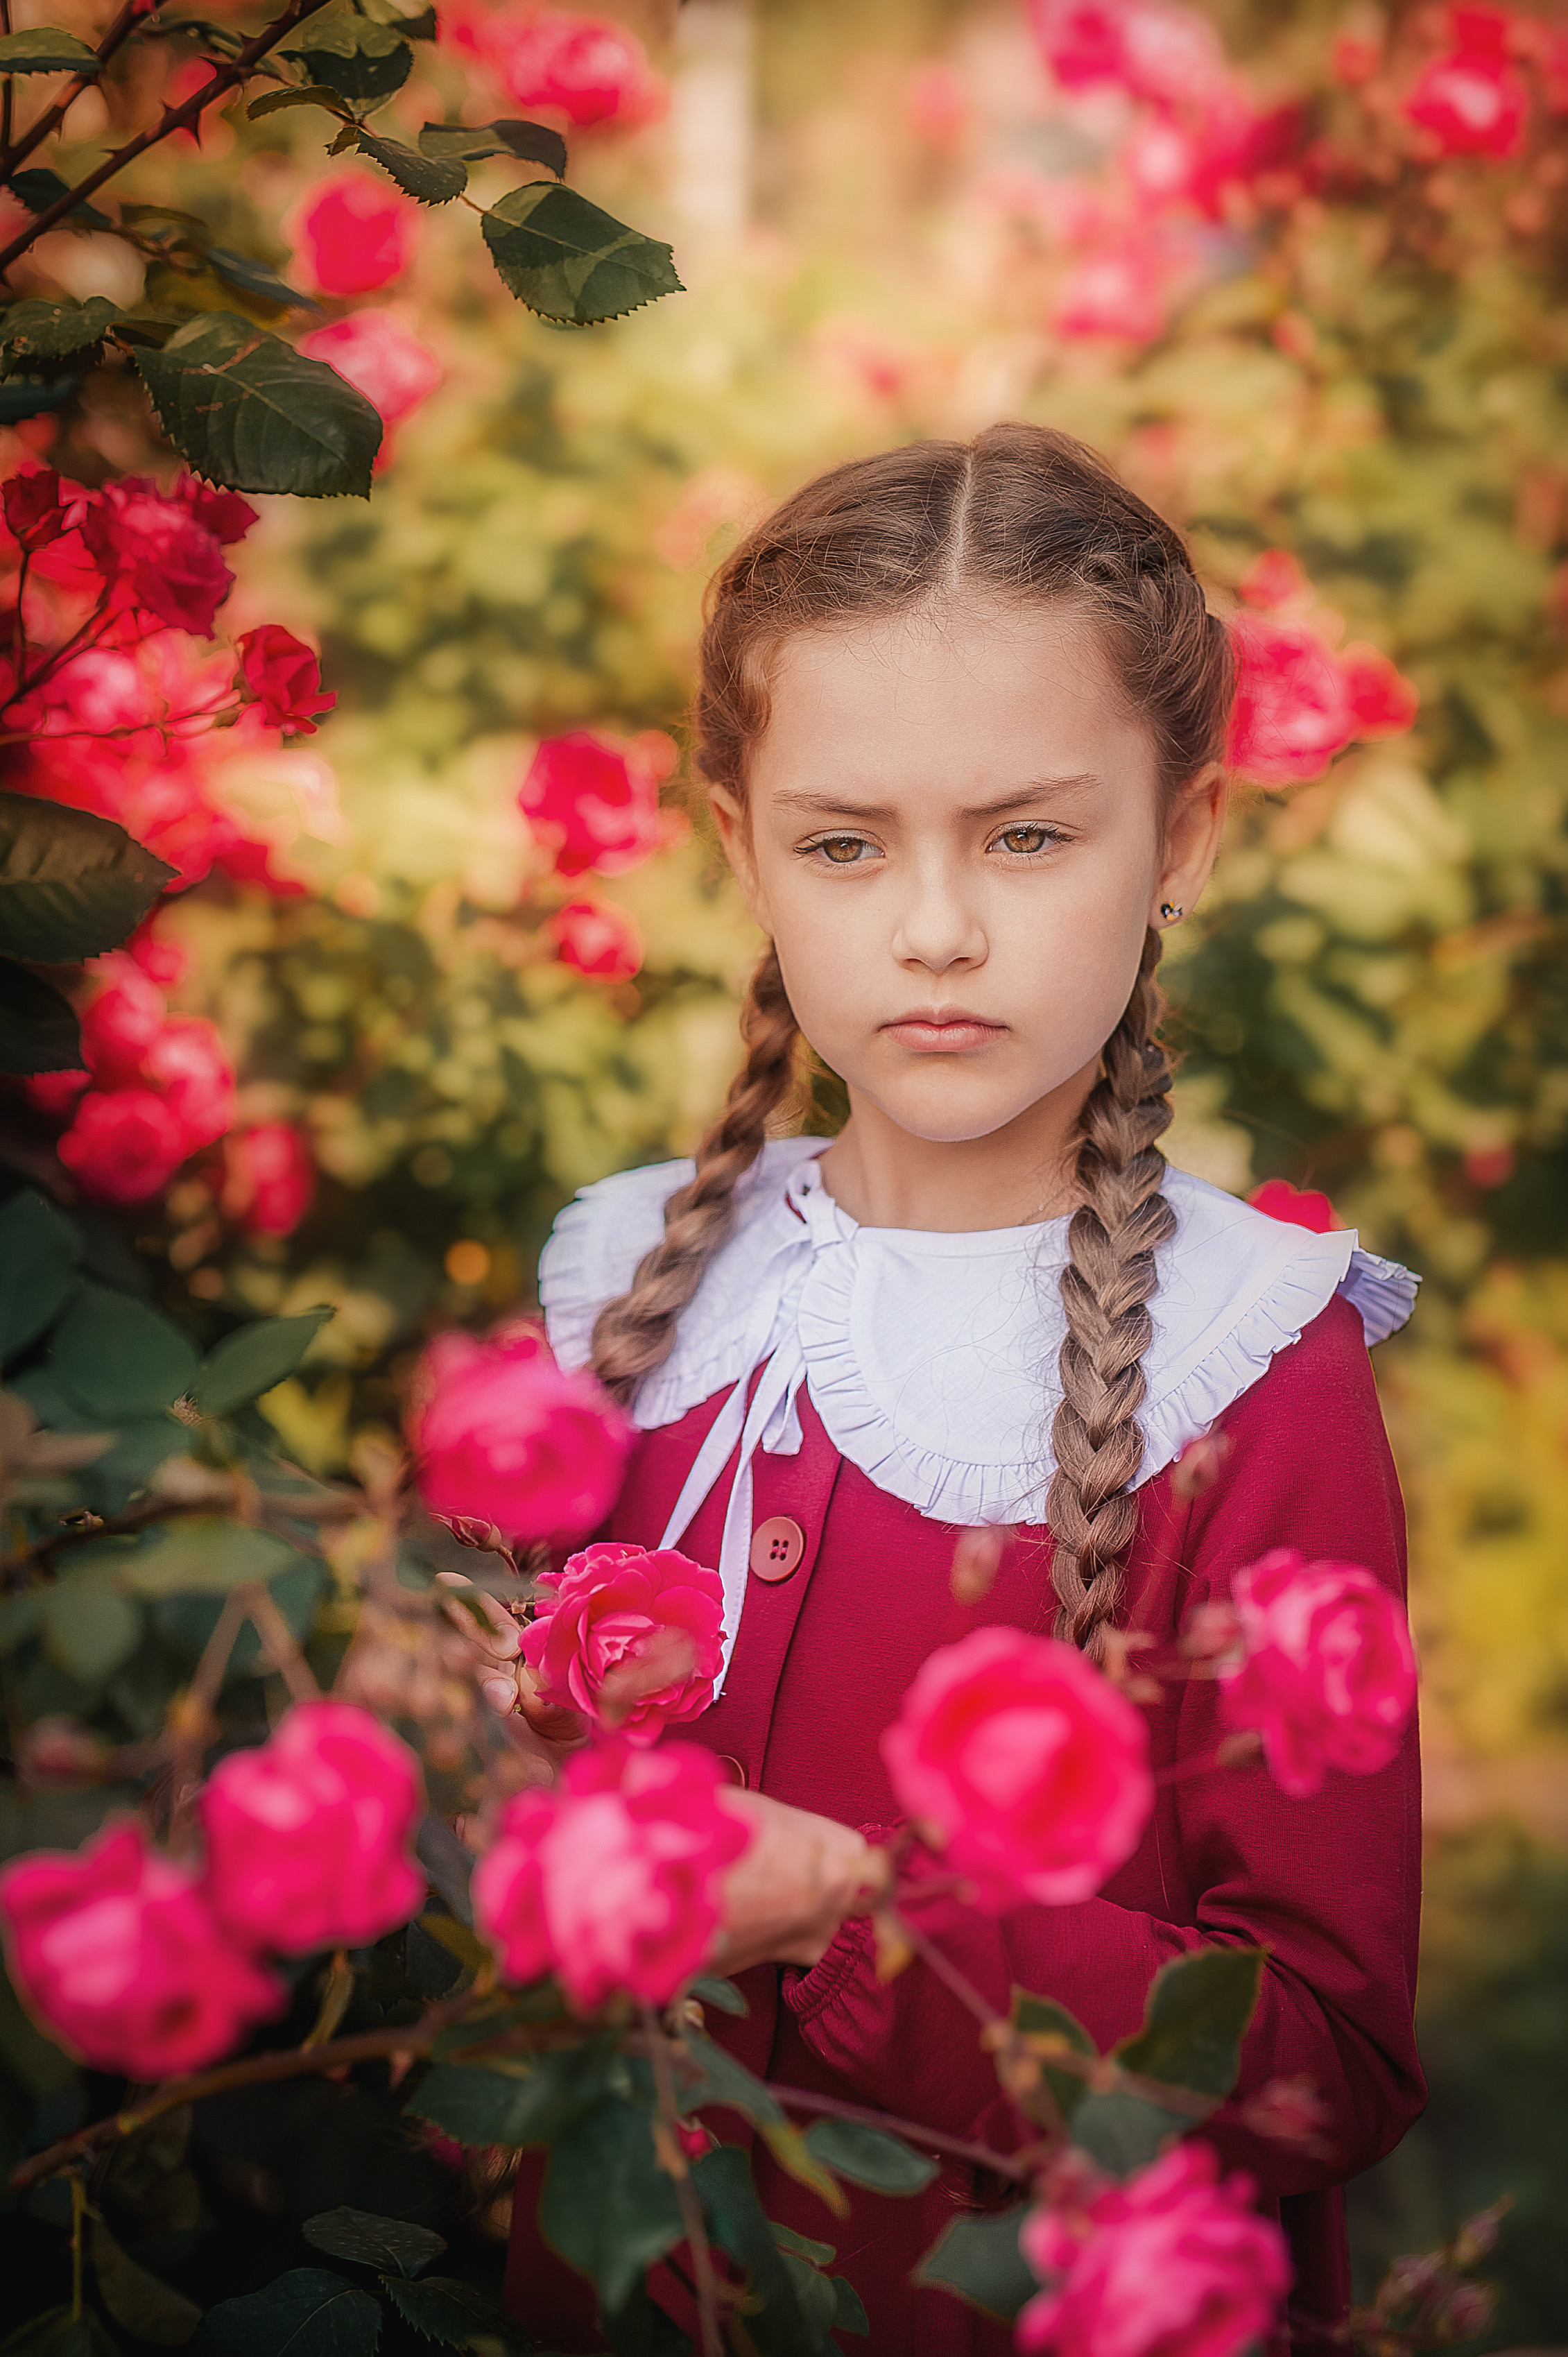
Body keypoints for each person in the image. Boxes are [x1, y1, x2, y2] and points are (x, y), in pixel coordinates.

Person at [500, 425, 1425, 2352]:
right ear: (737, 839)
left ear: (1182, 837)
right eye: (846, 843)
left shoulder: (1251, 1365)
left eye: (1027, 834)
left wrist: (855, 1907)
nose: (935, 927)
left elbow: (1318, 2062)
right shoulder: (626, 1291)